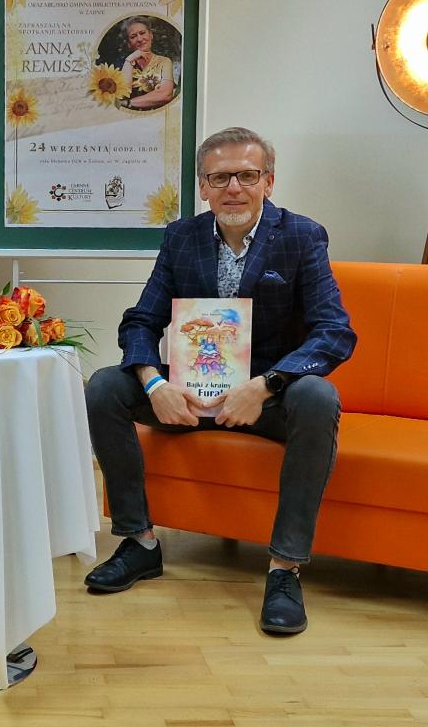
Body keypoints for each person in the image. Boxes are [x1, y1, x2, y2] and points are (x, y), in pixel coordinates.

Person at [83, 126, 355, 635]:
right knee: (104, 386)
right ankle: (139, 543)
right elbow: (141, 321)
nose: (234, 188)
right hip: (189, 393)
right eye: (219, 177)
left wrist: (266, 385)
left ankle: (284, 569)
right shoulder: (181, 237)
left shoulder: (302, 236)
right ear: (203, 187)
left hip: (265, 396)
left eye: (247, 176)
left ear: (268, 181)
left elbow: (334, 332)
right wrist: (154, 385)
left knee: (318, 396)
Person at [118, 16, 177, 110]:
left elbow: (165, 94)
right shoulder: (124, 65)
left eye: (142, 33)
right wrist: (129, 60)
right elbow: (122, 94)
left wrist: (129, 103)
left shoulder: (164, 62)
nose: (139, 39)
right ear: (129, 44)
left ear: (151, 35)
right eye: (133, 36)